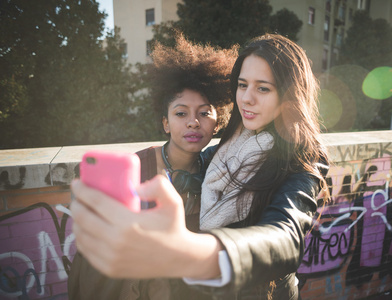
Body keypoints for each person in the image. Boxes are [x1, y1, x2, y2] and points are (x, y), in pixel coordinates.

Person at [70, 34, 330, 300]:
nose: (247, 99)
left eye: (263, 88)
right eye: (242, 85)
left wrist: (193, 252)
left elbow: (285, 239)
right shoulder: (223, 151)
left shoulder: (303, 158)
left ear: (289, 95)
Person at [67, 34, 237, 300]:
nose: (193, 122)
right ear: (166, 123)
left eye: (204, 113)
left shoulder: (218, 169)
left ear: (218, 122)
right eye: (181, 113)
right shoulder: (136, 169)